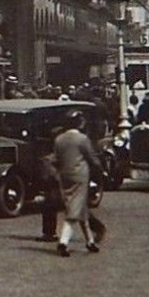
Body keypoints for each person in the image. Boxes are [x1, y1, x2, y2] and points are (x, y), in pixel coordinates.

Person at [52, 108, 101, 256]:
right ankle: (63, 242)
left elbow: (56, 159)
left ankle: (90, 241)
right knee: (74, 211)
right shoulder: (82, 139)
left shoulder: (59, 139)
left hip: (64, 176)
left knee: (80, 207)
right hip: (80, 176)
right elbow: (92, 158)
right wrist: (100, 169)